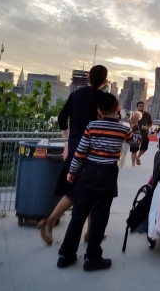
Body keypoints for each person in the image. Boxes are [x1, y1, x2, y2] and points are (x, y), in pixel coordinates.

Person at [57, 93, 141, 270]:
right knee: (99, 216)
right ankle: (92, 258)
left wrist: (72, 172)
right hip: (108, 174)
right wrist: (134, 125)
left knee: (78, 214)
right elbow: (136, 143)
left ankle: (66, 254)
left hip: (88, 171)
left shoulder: (92, 126)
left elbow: (80, 151)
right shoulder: (122, 129)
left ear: (98, 110)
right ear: (117, 108)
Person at [38, 65, 108, 245]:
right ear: (105, 81)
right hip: (92, 148)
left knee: (86, 189)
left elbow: (62, 118)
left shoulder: (76, 95)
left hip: (76, 143)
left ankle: (91, 233)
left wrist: (67, 141)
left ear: (88, 78)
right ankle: (51, 220)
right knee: (84, 189)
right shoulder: (104, 99)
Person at [130, 101, 152, 166]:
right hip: (135, 135)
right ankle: (133, 165)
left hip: (145, 135)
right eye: (140, 106)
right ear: (137, 107)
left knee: (144, 148)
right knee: (134, 150)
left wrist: (147, 127)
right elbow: (130, 124)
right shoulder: (133, 114)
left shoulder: (147, 115)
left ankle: (138, 156)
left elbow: (151, 124)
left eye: (142, 106)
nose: (141, 107)